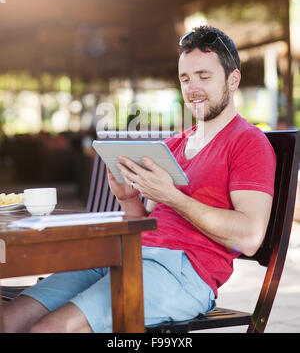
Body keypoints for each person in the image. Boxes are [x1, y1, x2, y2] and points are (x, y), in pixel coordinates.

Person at [3, 26, 276, 333]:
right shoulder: (173, 145)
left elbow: (250, 238)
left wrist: (173, 196)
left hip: (182, 274)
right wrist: (128, 198)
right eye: (185, 78)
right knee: (8, 320)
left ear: (233, 80)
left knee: (52, 329)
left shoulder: (248, 142)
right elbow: (147, 224)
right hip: (126, 255)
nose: (192, 87)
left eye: (204, 76)